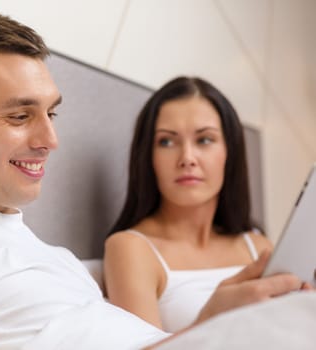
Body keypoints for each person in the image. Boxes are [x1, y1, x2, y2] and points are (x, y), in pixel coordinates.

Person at [0, 12, 309, 350]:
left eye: (51, 113)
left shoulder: (56, 260)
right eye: (20, 116)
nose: (50, 139)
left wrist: (214, 322)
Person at [103, 76, 273, 332]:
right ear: (148, 158)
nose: (187, 158)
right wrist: (210, 316)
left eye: (204, 140)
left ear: (230, 152)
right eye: (167, 142)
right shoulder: (131, 249)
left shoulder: (258, 246)